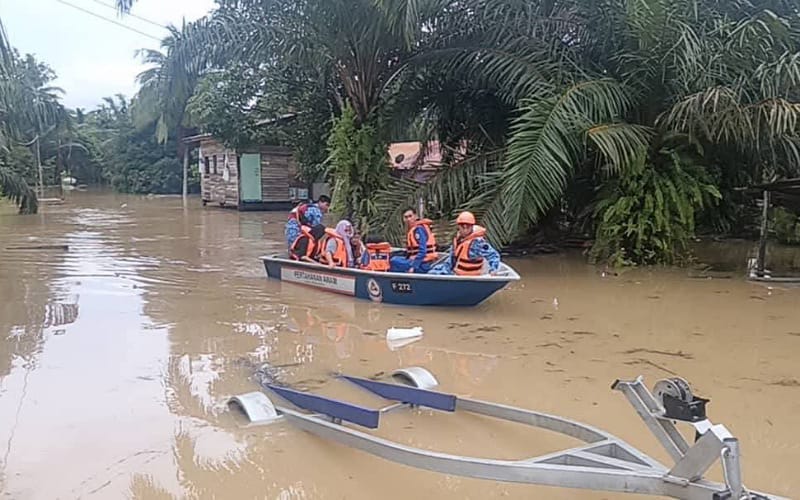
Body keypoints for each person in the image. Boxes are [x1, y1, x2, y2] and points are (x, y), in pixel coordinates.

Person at [430, 211, 501, 275]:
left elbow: (493, 255)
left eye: (468, 226)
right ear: (458, 226)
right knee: (432, 272)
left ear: (472, 226)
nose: (465, 229)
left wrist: (493, 270)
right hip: (453, 272)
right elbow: (452, 259)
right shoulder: (458, 239)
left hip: (467, 276)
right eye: (462, 226)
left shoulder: (477, 243)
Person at [389, 207, 438, 273]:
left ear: (415, 216)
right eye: (406, 217)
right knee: (394, 257)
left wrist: (414, 266)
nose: (408, 219)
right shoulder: (414, 229)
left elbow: (423, 251)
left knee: (393, 261)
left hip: (423, 264)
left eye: (410, 216)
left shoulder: (418, 230)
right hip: (420, 261)